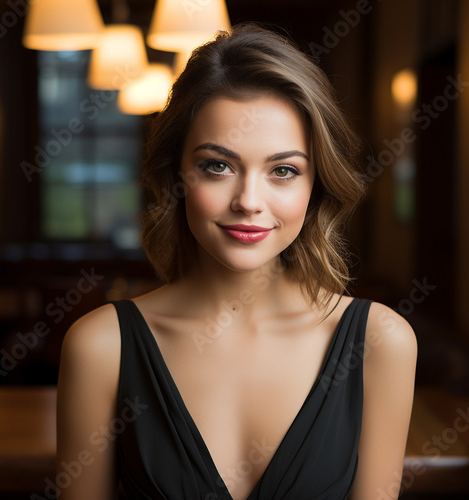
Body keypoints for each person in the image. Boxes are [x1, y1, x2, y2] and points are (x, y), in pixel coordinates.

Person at [56, 23, 417, 500]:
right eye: (217, 165)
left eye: (283, 170)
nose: (248, 201)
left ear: (316, 186)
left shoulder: (380, 343)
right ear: (176, 173)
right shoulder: (100, 346)